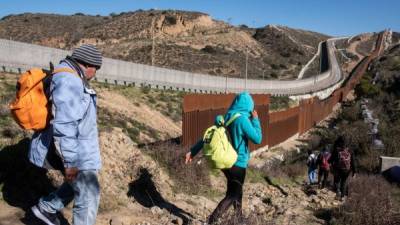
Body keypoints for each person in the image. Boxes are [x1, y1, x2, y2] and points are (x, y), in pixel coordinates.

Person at [29, 44, 103, 225]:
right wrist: (71, 163)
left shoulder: (72, 77)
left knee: (79, 186)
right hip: (75, 152)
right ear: (88, 65)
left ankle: (45, 209)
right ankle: (45, 209)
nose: (96, 73)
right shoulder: (69, 81)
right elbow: (65, 126)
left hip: (81, 149)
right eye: (96, 69)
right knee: (88, 193)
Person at [186, 92, 262, 224]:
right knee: (232, 194)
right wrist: (255, 120)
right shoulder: (243, 119)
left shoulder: (226, 117)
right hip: (238, 163)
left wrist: (193, 151)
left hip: (226, 161)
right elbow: (257, 138)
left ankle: (239, 218)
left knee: (236, 191)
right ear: (249, 106)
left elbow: (209, 136)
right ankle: (211, 220)